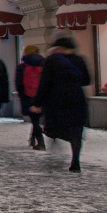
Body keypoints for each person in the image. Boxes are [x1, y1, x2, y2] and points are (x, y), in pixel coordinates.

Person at [33, 35, 91, 172]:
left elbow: (44, 83)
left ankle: (54, 150)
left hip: (56, 101)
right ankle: (75, 161)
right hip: (77, 100)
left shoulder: (52, 61)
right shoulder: (79, 60)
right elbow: (87, 80)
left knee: (54, 128)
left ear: (60, 48)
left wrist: (37, 103)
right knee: (76, 131)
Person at [16, 45, 46, 150]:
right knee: (36, 119)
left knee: (34, 119)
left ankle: (41, 142)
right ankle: (33, 138)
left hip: (28, 95)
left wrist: (22, 96)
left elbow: (19, 84)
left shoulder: (22, 67)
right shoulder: (44, 65)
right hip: (42, 95)